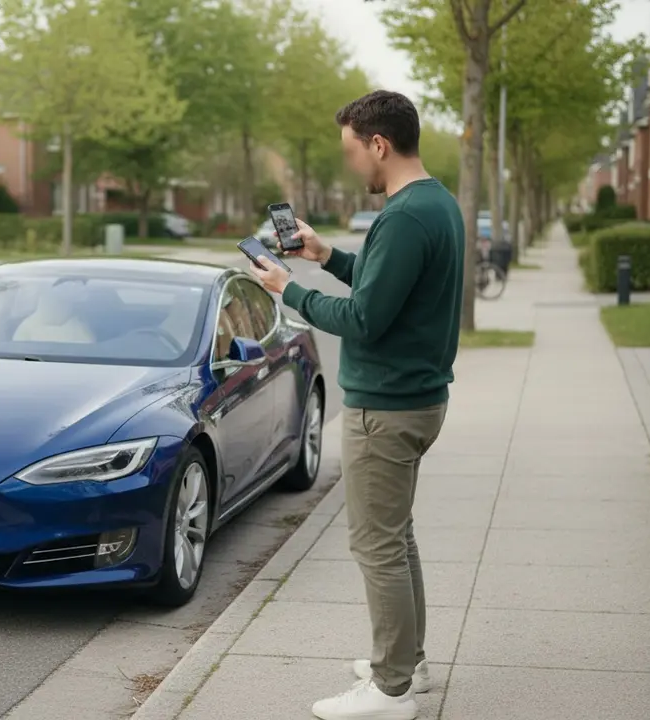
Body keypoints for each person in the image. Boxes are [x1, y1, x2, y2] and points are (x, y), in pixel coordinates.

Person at [246, 90, 464, 720]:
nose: (350, 166)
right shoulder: (436, 203)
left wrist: (290, 290)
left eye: (351, 152)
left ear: (379, 145)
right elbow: (386, 286)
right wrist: (325, 256)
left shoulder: (403, 216)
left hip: (386, 408)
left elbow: (365, 318)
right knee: (398, 538)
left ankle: (391, 689)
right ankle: (410, 664)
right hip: (416, 399)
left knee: (378, 547)